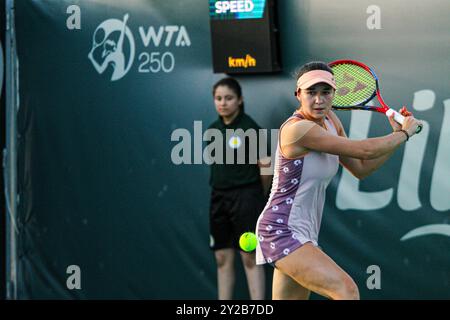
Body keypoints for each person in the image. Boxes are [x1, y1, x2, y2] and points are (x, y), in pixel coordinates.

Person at [255, 61, 421, 300]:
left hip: (305, 232)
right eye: (311, 92)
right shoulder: (298, 129)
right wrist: (404, 134)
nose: (319, 100)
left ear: (334, 94)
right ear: (298, 95)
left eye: (326, 92)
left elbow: (361, 168)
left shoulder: (331, 121)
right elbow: (364, 150)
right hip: (281, 230)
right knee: (346, 290)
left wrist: (397, 136)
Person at [207, 77, 271, 300]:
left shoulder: (250, 128)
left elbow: (266, 166)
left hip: (247, 198)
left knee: (249, 256)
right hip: (219, 198)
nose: (223, 103)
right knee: (222, 258)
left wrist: (257, 196)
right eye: (218, 98)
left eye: (228, 98)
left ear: (240, 100)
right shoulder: (212, 129)